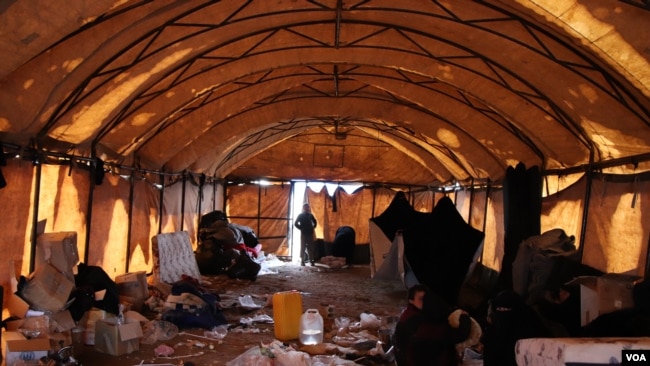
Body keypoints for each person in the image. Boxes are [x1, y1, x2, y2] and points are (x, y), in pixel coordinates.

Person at [394, 284, 471, 366]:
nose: (425, 302)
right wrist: (464, 317)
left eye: (426, 299)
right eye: (421, 299)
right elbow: (459, 334)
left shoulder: (409, 313)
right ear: (411, 301)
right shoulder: (420, 325)